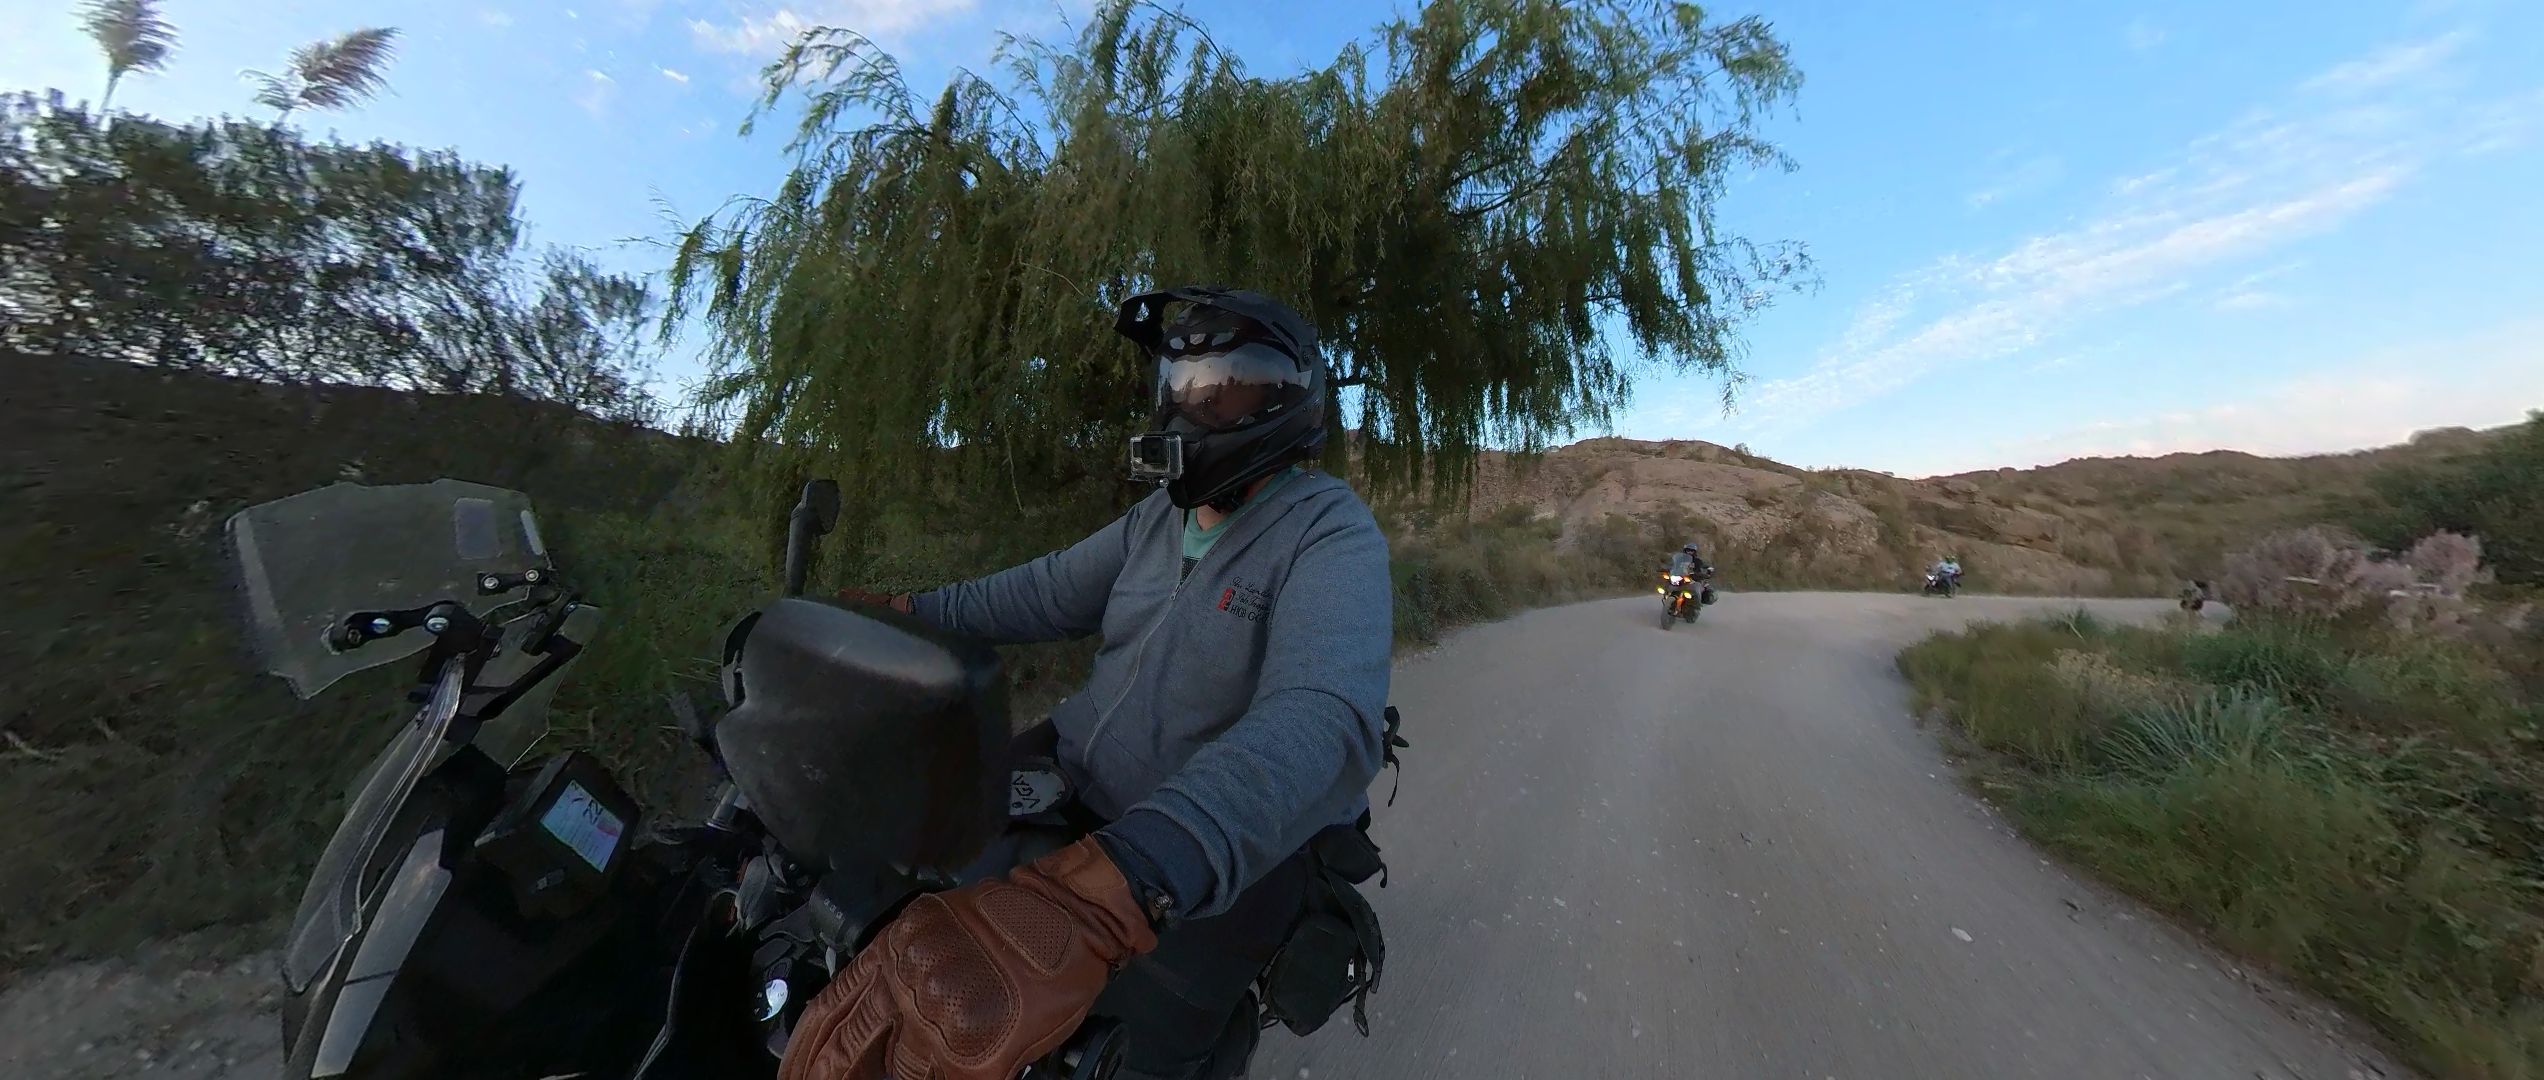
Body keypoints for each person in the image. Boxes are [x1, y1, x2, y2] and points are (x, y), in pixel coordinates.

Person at [797, 286, 1395, 1080]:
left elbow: (1326, 715)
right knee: (907, 924)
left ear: (1285, 399)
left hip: (1199, 855)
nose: (1191, 410)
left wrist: (1141, 865)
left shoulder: (1329, 529)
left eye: (1221, 389)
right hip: (1073, 783)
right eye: (1180, 389)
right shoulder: (1157, 520)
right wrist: (911, 612)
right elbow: (1041, 593)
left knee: (1132, 1056)